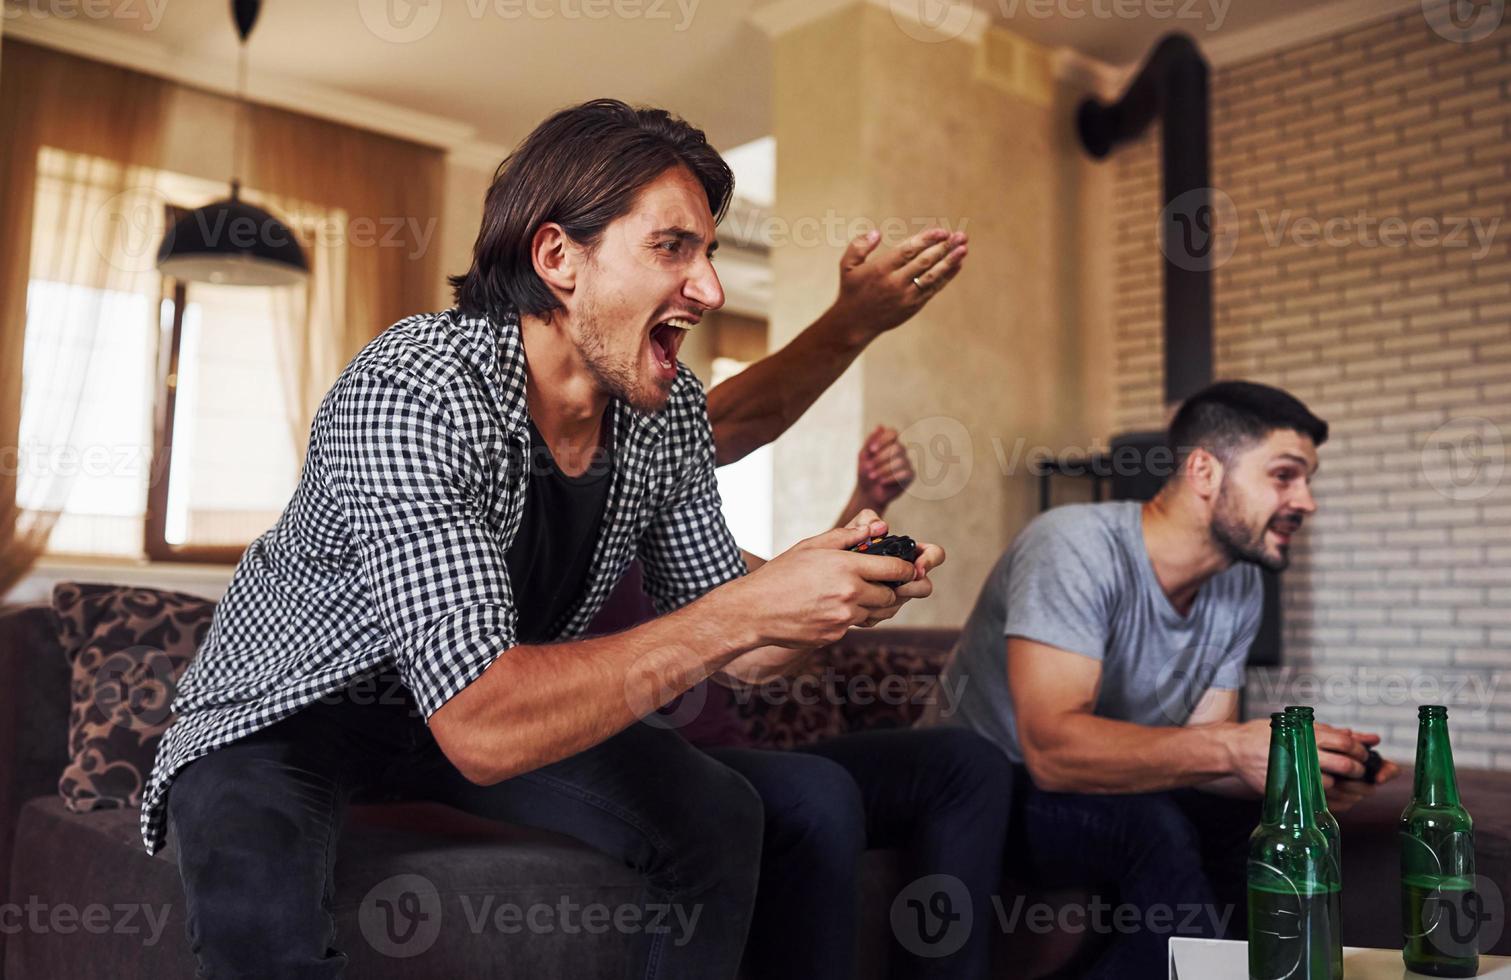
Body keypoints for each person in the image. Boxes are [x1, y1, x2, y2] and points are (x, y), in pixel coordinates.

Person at [142, 98, 948, 979]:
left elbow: (745, 656)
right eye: (672, 247)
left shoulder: (662, 409)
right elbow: (485, 726)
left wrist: (820, 595)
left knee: (720, 812)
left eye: (709, 252)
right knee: (257, 913)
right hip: (294, 708)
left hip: (456, 705)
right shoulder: (417, 388)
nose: (710, 288)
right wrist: (744, 609)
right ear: (558, 256)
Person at [927, 380, 1403, 979]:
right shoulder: (1074, 545)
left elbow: (1205, 748)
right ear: (1204, 471)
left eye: (1307, 480)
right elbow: (1052, 751)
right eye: (1285, 475)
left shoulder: (1238, 582)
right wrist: (1231, 746)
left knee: (1271, 827)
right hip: (996, 788)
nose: (1306, 501)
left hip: (1109, 787)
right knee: (1153, 827)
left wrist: (1295, 771)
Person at [622, 428, 1012, 980]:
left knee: (966, 765)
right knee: (817, 792)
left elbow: (781, 594)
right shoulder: (553, 543)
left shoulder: (674, 536)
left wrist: (861, 546)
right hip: (642, 774)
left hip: (736, 760)